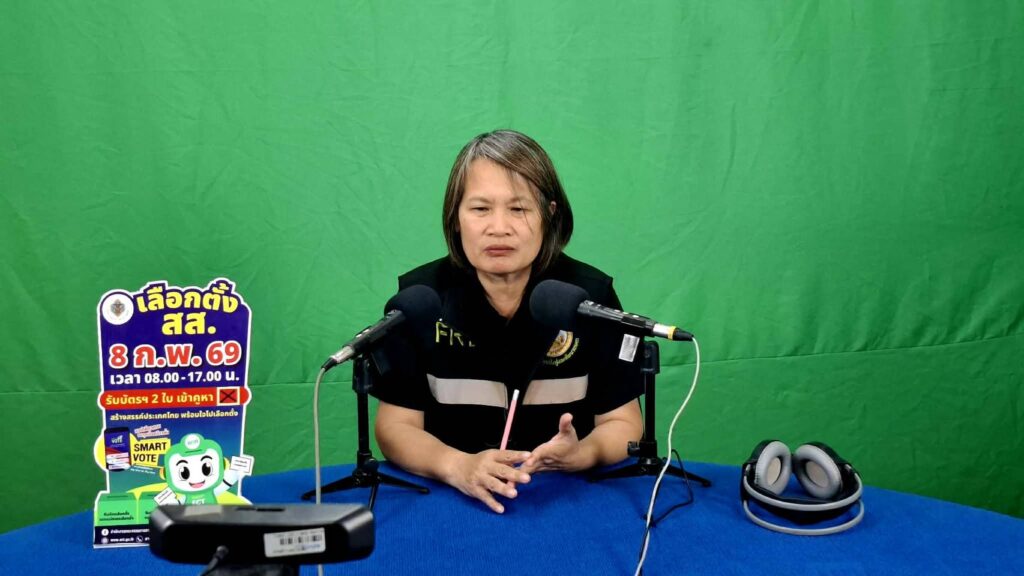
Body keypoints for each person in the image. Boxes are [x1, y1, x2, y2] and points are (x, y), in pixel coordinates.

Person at [371, 130, 644, 514]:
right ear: (455, 218)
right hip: (452, 501)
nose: (499, 227)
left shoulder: (590, 298)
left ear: (549, 214)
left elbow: (624, 422)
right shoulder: (421, 300)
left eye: (518, 209)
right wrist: (457, 466)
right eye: (480, 209)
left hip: (565, 500)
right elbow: (395, 427)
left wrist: (582, 453)